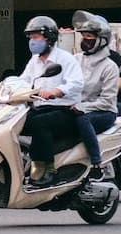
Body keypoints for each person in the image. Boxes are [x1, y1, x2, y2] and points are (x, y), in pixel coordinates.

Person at [17, 16, 85, 185]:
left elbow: (76, 83)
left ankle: (48, 170)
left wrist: (56, 91)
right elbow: (23, 81)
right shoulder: (34, 61)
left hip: (65, 111)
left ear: (49, 38)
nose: (32, 41)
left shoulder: (66, 59)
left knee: (41, 124)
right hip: (40, 108)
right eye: (30, 38)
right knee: (14, 123)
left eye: (36, 37)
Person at [70, 14, 121, 178]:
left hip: (103, 112)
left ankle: (96, 163)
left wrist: (82, 107)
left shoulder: (109, 67)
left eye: (89, 37)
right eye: (83, 36)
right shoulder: (75, 60)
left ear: (101, 40)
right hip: (75, 107)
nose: (85, 40)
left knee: (82, 119)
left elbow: (107, 101)